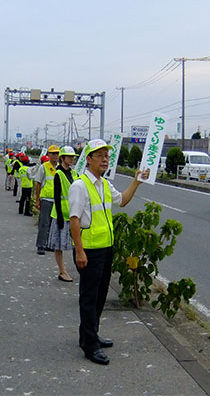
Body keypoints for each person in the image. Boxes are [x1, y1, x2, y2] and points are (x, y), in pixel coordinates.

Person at [69, 139, 149, 365]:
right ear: (89, 159)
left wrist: (136, 182)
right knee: (89, 298)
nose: (105, 159)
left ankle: (90, 334)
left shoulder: (104, 184)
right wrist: (79, 251)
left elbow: (122, 201)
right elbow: (74, 220)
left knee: (100, 296)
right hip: (90, 251)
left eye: (107, 155)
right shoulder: (80, 186)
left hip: (106, 248)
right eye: (100, 155)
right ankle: (89, 346)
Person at [46, 146, 78, 283]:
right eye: (69, 157)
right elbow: (57, 197)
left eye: (73, 157)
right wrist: (59, 216)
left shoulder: (75, 174)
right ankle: (62, 271)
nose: (71, 159)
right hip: (61, 215)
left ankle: (80, 268)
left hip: (74, 215)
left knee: (78, 244)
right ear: (62, 158)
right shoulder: (58, 174)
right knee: (59, 245)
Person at [34, 145, 60, 255]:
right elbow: (38, 183)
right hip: (46, 199)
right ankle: (41, 245)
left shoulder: (60, 168)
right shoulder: (44, 167)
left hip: (57, 200)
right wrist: (37, 200)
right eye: (53, 153)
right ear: (48, 154)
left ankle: (49, 244)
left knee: (53, 224)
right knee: (43, 223)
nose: (55, 156)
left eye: (57, 153)